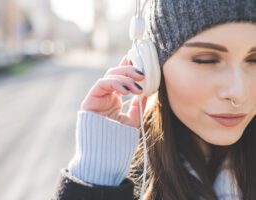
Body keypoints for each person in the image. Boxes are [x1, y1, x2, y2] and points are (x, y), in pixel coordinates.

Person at [54, 0, 256, 199]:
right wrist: (97, 179)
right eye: (206, 60)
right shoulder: (131, 180)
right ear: (151, 66)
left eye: (254, 59)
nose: (238, 93)